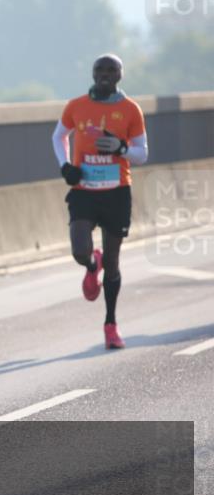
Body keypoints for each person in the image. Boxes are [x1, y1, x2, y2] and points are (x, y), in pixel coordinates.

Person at [52, 53, 148, 349]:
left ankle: (110, 324)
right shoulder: (76, 106)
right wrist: (65, 166)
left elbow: (142, 154)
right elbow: (58, 136)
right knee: (79, 251)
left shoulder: (131, 110)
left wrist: (121, 148)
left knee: (115, 262)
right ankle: (92, 264)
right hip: (84, 190)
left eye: (111, 70)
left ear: (120, 75)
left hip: (116, 192)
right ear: (93, 74)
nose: (105, 74)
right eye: (99, 70)